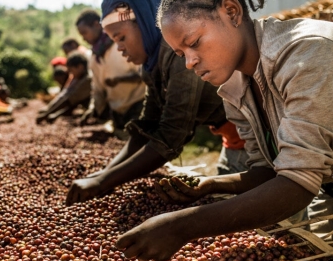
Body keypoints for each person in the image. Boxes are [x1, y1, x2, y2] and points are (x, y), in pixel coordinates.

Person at [113, 0, 333, 261]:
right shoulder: (235, 85)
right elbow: (267, 170)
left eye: (194, 42)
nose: (190, 63)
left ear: (231, 11)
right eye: (181, 54)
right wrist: (210, 185)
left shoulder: (308, 52)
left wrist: (183, 226)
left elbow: (298, 184)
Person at [66, 0, 247, 205]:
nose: (120, 48)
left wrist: (103, 181)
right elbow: (148, 125)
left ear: (143, 23)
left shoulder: (178, 54)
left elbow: (171, 134)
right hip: (232, 140)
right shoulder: (151, 66)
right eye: (114, 41)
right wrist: (103, 175)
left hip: (252, 139)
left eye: (121, 38)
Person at [75, 8, 146, 131]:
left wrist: (119, 80)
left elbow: (144, 75)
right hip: (117, 112)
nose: (83, 39)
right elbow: (97, 89)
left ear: (96, 25)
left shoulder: (122, 46)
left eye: (84, 33)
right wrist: (93, 109)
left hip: (139, 105)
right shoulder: (94, 58)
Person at [36, 51, 92, 124]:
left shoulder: (87, 79)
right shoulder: (77, 78)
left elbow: (69, 101)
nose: (71, 74)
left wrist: (46, 114)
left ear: (80, 67)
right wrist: (49, 110)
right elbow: (64, 95)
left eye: (71, 70)